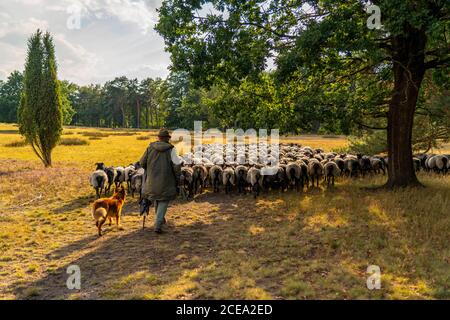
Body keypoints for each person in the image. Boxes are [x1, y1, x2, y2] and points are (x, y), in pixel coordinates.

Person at [139, 128, 181, 234]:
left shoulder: (150, 148)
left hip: (151, 180)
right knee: (163, 200)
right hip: (166, 180)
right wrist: (178, 178)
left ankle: (160, 219)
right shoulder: (171, 149)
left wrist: (149, 169)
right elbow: (176, 166)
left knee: (157, 197)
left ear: (159, 137)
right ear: (167, 139)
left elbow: (142, 162)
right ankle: (158, 225)